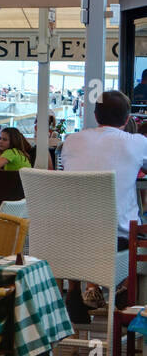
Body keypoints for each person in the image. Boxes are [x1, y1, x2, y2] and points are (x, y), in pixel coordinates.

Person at [60, 90, 147, 242]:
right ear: (127, 119)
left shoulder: (71, 141)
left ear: (95, 116)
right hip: (120, 239)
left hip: (72, 238)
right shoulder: (137, 142)